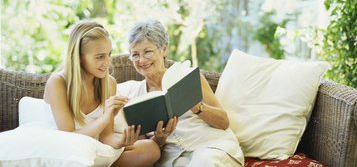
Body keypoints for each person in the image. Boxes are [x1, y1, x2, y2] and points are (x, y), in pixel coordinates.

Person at [117, 19, 245, 167]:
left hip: (211, 147)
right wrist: (159, 140)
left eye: (148, 52)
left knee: (204, 162)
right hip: (173, 159)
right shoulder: (134, 96)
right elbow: (142, 149)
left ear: (164, 49)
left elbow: (224, 122)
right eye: (135, 55)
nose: (142, 60)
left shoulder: (189, 77)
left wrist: (197, 107)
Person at [43, 20, 161, 167]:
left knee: (151, 149)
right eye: (100, 57)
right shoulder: (58, 83)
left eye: (109, 54)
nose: (108, 62)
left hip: (97, 149)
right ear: (78, 57)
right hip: (67, 151)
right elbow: (69, 136)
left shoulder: (108, 83)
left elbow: (106, 137)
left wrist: (121, 141)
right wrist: (105, 118)